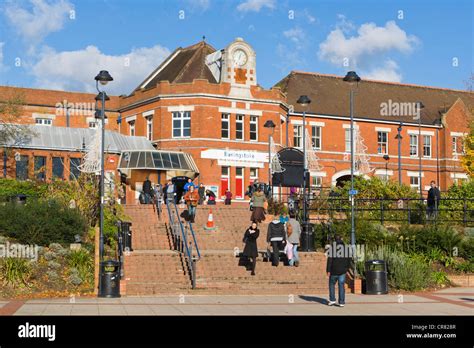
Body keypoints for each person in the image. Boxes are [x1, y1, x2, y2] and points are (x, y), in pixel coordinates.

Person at [326, 235, 352, 307]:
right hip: (343, 270)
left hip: (334, 270)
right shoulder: (346, 248)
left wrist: (328, 270)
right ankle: (341, 302)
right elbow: (349, 259)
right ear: (341, 239)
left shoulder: (332, 248)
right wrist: (347, 268)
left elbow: (330, 260)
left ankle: (332, 300)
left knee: (332, 284)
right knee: (341, 285)